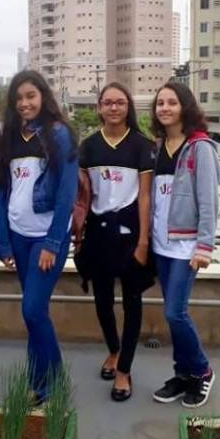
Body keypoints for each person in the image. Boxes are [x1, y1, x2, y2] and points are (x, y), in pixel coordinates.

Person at [0, 70, 78, 404]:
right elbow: (3, 190)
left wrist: (53, 243)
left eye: (30, 96)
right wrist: (3, 241)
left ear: (43, 96)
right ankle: (39, 380)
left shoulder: (59, 134)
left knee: (31, 310)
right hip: (18, 235)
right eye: (18, 99)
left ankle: (50, 379)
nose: (24, 103)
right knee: (36, 312)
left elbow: (67, 194)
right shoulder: (11, 136)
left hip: (46, 239)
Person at [75, 82, 154, 402]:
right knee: (102, 300)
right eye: (107, 103)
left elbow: (145, 197)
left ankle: (124, 370)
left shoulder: (142, 145)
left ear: (128, 107)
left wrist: (143, 241)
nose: (113, 108)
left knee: (132, 302)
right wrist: (77, 234)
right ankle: (113, 349)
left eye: (120, 102)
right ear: (99, 108)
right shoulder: (88, 146)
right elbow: (82, 196)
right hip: (97, 233)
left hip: (130, 233)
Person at [150, 82, 220, 409]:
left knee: (174, 313)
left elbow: (208, 200)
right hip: (161, 245)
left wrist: (205, 245)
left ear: (185, 107)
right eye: (160, 103)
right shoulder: (158, 146)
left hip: (186, 245)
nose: (165, 108)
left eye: (172, 102)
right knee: (172, 314)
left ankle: (202, 370)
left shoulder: (200, 147)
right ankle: (183, 374)